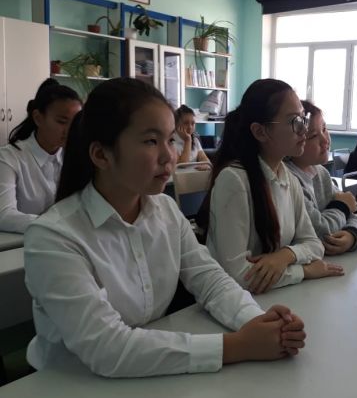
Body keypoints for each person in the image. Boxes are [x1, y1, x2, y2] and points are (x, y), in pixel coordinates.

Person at [24, 78, 306, 378]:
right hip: (68, 382)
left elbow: (211, 281)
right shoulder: (53, 236)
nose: (169, 156)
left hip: (147, 371)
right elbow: (105, 347)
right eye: (150, 141)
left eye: (171, 140)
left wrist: (260, 324)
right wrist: (240, 345)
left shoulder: (165, 211)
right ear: (101, 155)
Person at [201, 79, 344, 295]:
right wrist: (304, 271)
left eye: (303, 119)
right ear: (260, 132)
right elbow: (237, 275)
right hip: (235, 300)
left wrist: (285, 255)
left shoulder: (288, 178)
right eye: (294, 121)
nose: (304, 130)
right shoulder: (234, 181)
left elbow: (314, 244)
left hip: (273, 295)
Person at [0, 79, 81, 233]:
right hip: (21, 243)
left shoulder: (75, 157)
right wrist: (60, 226)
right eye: (62, 122)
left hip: (67, 240)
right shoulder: (8, 158)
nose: (69, 130)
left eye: (74, 123)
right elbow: (3, 215)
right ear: (38, 118)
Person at [286, 101, 357, 255]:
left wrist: (351, 234)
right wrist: (342, 206)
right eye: (313, 136)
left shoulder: (321, 172)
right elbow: (319, 232)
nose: (325, 140)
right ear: (294, 141)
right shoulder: (289, 179)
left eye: (324, 129)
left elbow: (351, 212)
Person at [174, 104, 211, 169]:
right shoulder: (171, 143)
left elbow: (203, 158)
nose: (190, 127)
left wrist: (205, 165)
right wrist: (188, 140)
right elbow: (183, 165)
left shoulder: (195, 141)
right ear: (176, 124)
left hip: (194, 174)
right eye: (186, 123)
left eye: (193, 123)